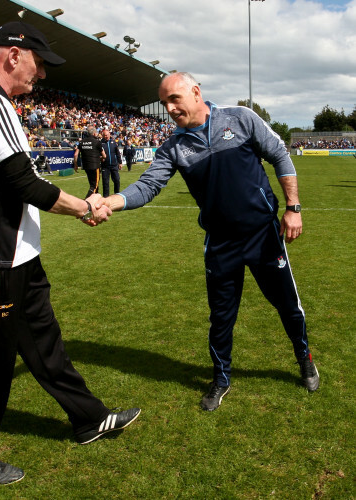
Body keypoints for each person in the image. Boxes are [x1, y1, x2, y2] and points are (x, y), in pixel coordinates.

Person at [0, 21, 140, 486]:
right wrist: (86, 208)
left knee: (45, 344)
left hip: (17, 257)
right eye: (39, 64)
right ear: (14, 55)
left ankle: (87, 418)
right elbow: (25, 183)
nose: (41, 77)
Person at [103, 72, 319, 412]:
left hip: (263, 235)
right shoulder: (174, 147)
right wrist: (111, 201)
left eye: (175, 98)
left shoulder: (240, 118)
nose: (170, 108)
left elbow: (279, 154)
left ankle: (304, 358)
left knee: (287, 305)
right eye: (164, 103)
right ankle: (221, 379)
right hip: (220, 244)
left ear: (196, 92)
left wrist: (293, 208)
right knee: (221, 318)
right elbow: (147, 186)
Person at [74, 125, 106, 198]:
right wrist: (101, 158)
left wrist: (75, 165)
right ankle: (86, 203)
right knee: (94, 186)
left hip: (86, 166)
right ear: (94, 134)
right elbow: (104, 155)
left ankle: (95, 201)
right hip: (95, 166)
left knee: (92, 184)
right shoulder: (97, 142)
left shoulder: (81, 142)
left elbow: (76, 154)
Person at [101, 129, 122, 197]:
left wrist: (120, 162)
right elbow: (97, 153)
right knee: (105, 182)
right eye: (104, 135)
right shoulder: (100, 143)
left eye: (107, 135)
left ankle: (117, 194)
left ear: (109, 135)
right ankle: (105, 197)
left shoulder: (113, 142)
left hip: (114, 165)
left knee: (117, 180)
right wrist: (100, 157)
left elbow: (117, 153)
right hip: (105, 166)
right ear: (102, 136)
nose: (106, 136)